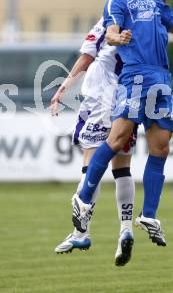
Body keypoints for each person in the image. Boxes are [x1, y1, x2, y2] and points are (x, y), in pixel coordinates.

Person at [72, 0, 173, 259]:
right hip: (134, 77)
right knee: (117, 140)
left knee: (161, 148)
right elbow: (113, 32)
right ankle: (84, 196)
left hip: (161, 79)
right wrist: (117, 38)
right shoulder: (116, 2)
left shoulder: (157, 3)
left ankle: (149, 215)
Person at [51, 17, 136, 266]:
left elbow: (87, 57)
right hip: (130, 96)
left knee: (90, 164)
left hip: (101, 98)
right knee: (122, 168)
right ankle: (125, 229)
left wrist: (63, 87)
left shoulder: (111, 15)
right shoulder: (149, 26)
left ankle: (81, 232)